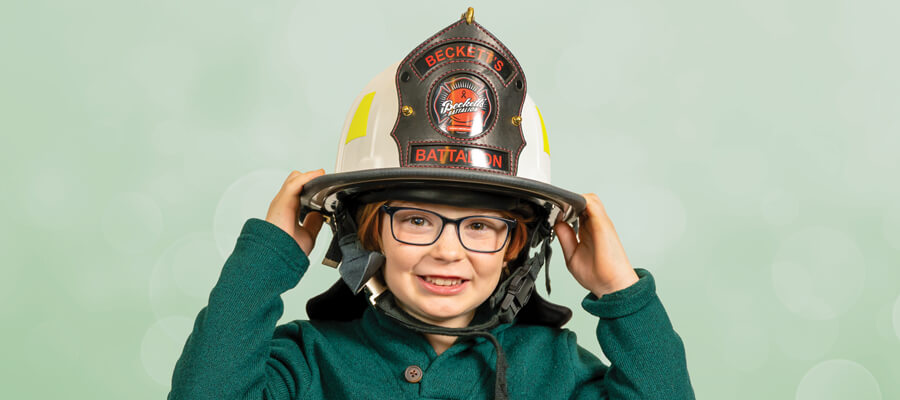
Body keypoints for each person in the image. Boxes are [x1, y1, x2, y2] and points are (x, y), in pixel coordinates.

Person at [169, 8, 694, 400]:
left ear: (517, 246)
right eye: (417, 220)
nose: (448, 251)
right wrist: (264, 262)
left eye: (481, 226)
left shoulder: (556, 371)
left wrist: (621, 292)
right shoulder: (306, 362)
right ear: (361, 233)